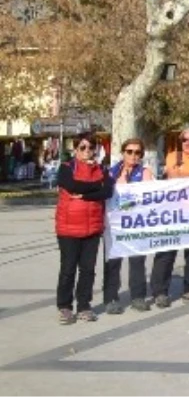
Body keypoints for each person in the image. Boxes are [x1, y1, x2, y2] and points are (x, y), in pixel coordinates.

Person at [151, 125, 189, 308]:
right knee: (166, 252)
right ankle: (160, 292)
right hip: (171, 212)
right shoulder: (173, 156)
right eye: (184, 139)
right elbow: (173, 175)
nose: (186, 143)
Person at [55, 134, 114, 324]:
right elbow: (72, 185)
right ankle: (64, 307)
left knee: (88, 270)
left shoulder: (101, 169)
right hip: (69, 228)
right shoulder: (66, 168)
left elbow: (107, 191)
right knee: (68, 269)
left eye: (91, 147)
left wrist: (86, 195)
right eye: (82, 147)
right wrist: (97, 186)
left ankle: (84, 306)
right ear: (75, 150)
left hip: (93, 227)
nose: (87, 151)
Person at [103, 137, 153, 314]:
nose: (133, 155)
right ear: (123, 153)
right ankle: (111, 298)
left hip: (136, 224)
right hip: (115, 225)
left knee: (138, 261)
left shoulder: (145, 172)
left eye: (137, 152)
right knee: (113, 262)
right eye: (129, 152)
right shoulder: (111, 172)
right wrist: (120, 182)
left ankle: (138, 296)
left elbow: (150, 195)